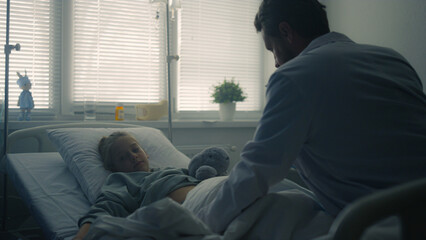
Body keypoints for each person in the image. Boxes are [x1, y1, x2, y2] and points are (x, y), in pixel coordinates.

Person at [196, 0, 426, 233]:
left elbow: (257, 169)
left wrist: (201, 227)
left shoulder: (294, 76)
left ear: (286, 32)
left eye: (271, 48)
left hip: (382, 223)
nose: (275, 62)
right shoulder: (393, 60)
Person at [73, 132, 200, 240]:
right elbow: (104, 208)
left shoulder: (170, 170)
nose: (133, 156)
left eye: (135, 150)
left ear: (145, 152)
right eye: (123, 158)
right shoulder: (122, 181)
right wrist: (80, 237)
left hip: (204, 194)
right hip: (188, 213)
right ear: (114, 168)